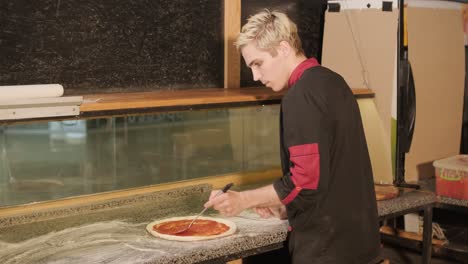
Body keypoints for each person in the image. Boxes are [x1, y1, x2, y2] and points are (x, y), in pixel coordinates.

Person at [204, 9, 381, 264]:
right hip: (359, 243)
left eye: (258, 63)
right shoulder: (334, 82)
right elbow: (331, 173)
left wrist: (242, 199)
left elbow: (304, 182)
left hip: (327, 251)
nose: (255, 76)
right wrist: (287, 205)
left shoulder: (300, 96)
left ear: (284, 48)